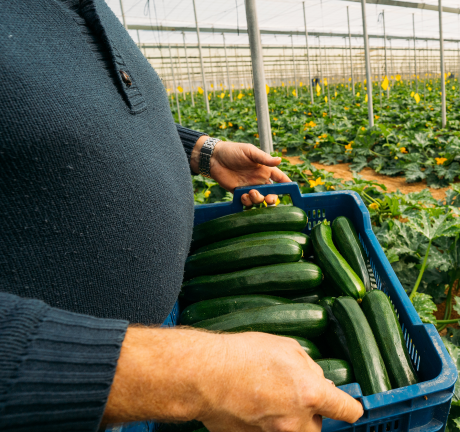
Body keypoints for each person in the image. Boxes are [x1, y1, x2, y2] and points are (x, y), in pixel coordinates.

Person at [0, 0, 363, 431]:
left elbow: (65, 121)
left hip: (164, 336)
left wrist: (199, 151)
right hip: (74, 400)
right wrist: (198, 374)